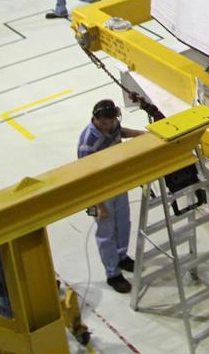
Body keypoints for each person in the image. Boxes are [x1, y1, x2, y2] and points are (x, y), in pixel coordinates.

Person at [78, 99, 144, 293]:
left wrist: (141, 135)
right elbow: (86, 177)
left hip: (118, 182)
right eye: (104, 123)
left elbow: (119, 131)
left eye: (111, 122)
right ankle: (112, 273)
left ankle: (121, 256)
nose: (108, 126)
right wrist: (99, 205)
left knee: (123, 223)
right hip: (100, 191)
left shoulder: (112, 123)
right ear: (96, 118)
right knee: (106, 233)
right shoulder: (88, 144)